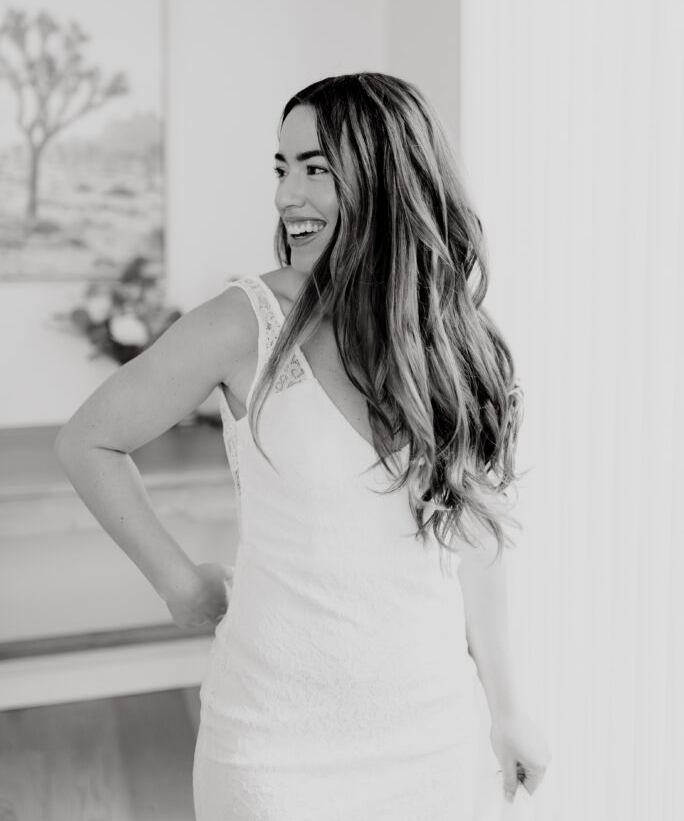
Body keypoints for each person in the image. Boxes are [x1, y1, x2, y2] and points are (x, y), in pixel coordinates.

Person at [56, 72, 551, 820]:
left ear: (389, 177)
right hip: (274, 747)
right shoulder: (245, 320)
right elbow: (89, 440)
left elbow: (474, 539)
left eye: (316, 168)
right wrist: (179, 584)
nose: (288, 195)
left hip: (435, 739)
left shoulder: (456, 340)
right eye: (282, 168)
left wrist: (507, 707)